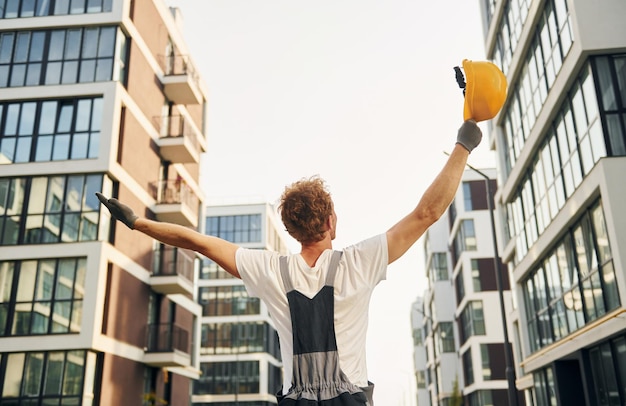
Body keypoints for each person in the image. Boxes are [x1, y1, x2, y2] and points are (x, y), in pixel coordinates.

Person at [96, 119, 481, 405]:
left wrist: (137, 222)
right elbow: (427, 213)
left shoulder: (271, 271)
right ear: (331, 221)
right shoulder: (359, 262)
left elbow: (199, 243)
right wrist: (464, 142)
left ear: (292, 230)